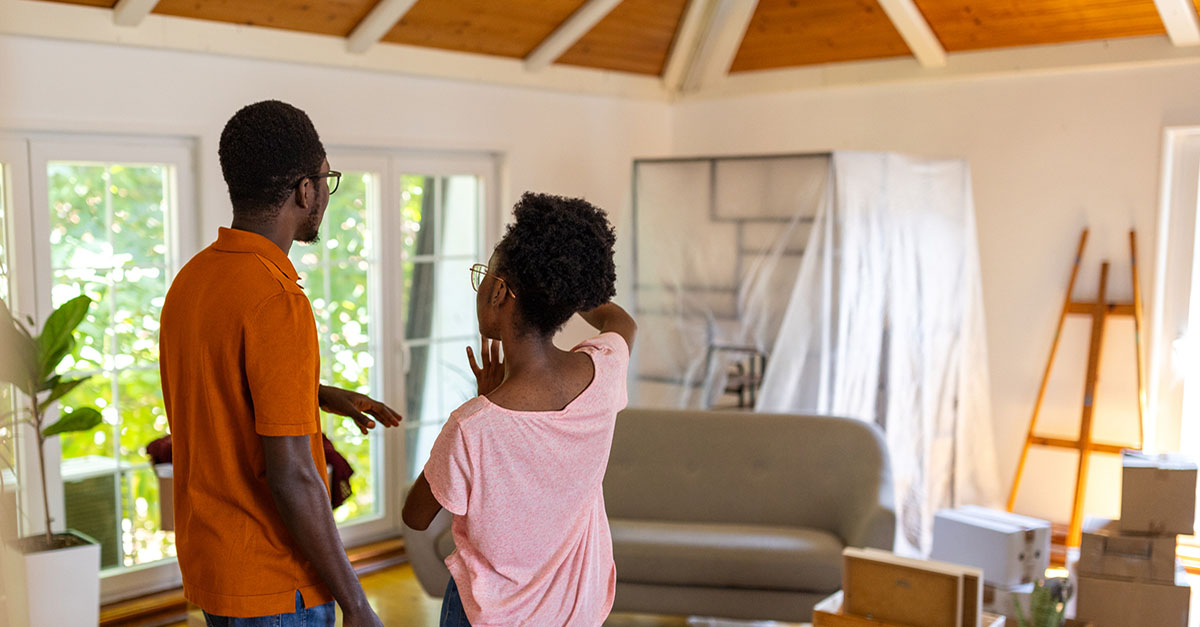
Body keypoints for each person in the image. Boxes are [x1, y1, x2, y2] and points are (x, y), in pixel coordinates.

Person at [159, 100, 401, 627]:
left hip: (217, 567)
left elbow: (221, 386)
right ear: (305, 190)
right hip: (276, 581)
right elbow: (292, 476)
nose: (323, 195)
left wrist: (317, 394)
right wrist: (356, 603)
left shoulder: (193, 281)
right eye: (325, 180)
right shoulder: (276, 299)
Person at [403, 192, 637, 626]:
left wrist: (481, 401)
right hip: (575, 613)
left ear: (500, 291)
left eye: (484, 275)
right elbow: (621, 323)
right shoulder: (603, 374)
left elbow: (414, 516)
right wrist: (564, 284)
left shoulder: (473, 426)